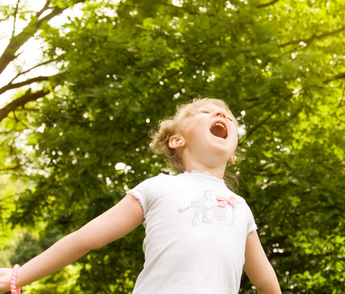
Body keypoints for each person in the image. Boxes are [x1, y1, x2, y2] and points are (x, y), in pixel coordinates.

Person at [0, 98, 281, 294]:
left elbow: (267, 284)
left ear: (232, 154)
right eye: (207, 112)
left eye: (228, 117)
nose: (221, 116)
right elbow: (84, 239)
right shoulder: (157, 187)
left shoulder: (241, 209)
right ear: (177, 140)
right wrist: (19, 275)